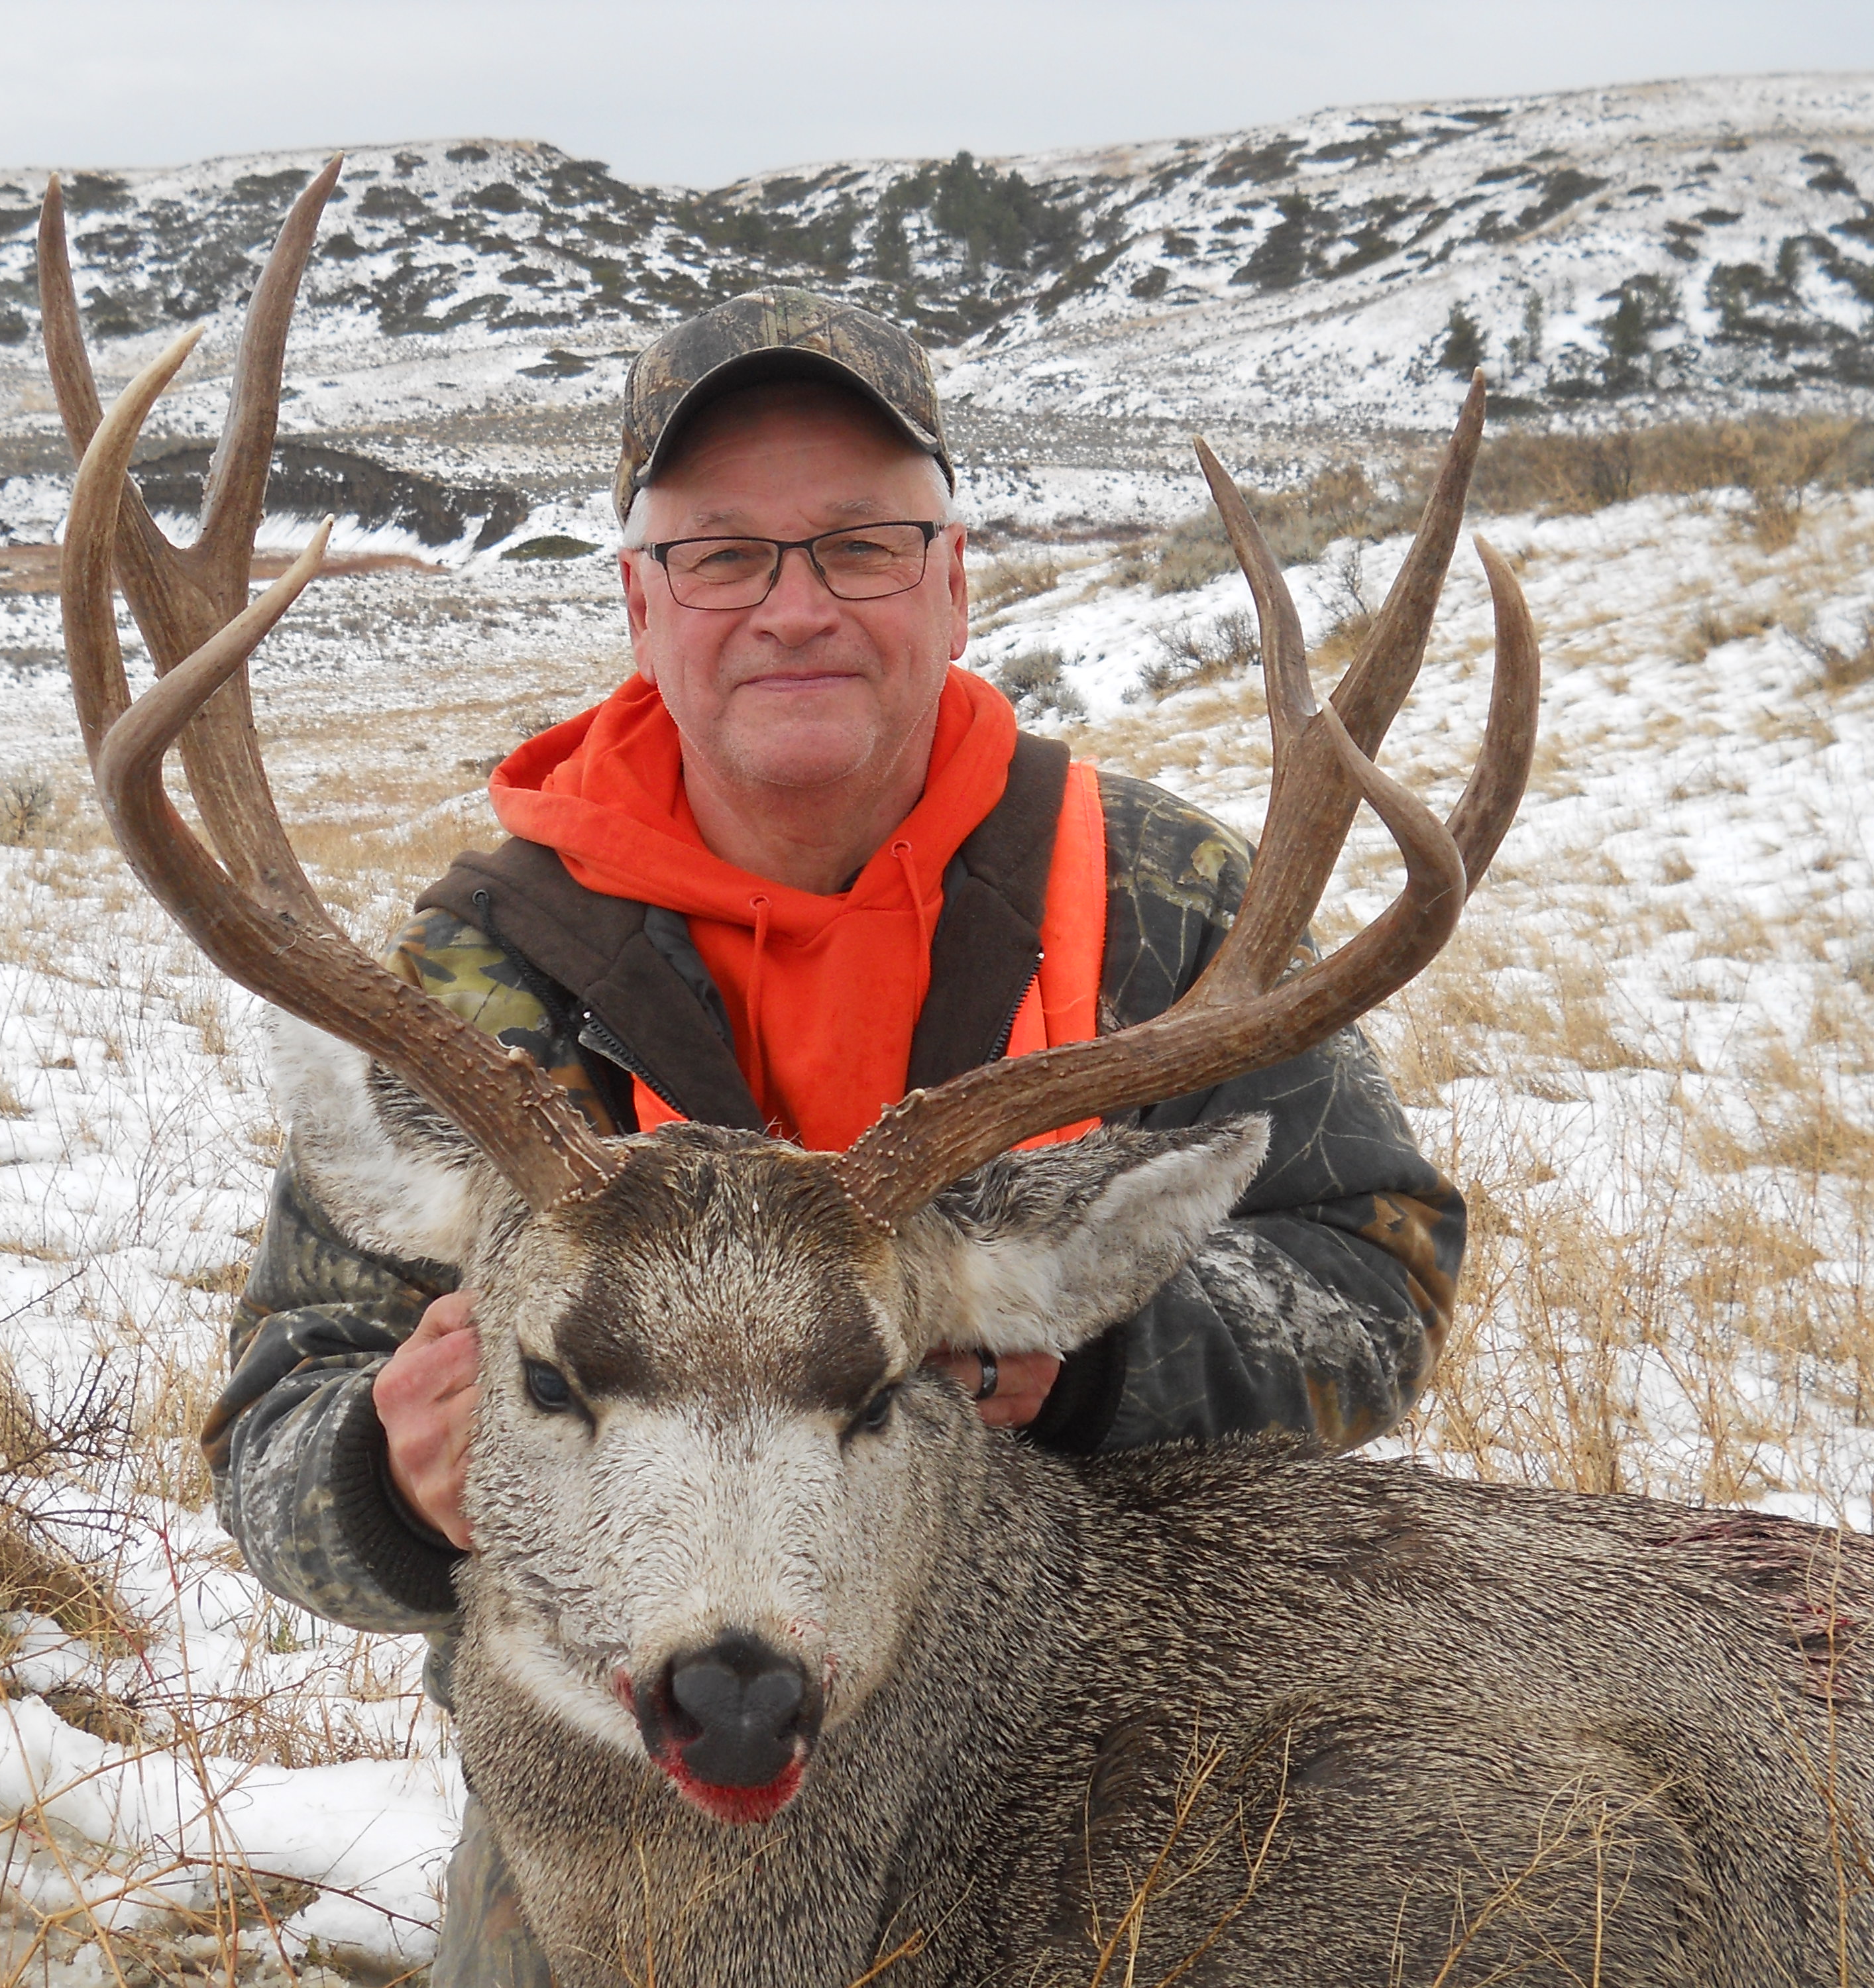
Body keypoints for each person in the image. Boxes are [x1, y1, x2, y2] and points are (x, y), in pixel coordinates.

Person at [204, 288, 1464, 1985]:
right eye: (721, 554)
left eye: (860, 544)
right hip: (613, 1765)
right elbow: (280, 1423)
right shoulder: (481, 974)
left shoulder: (1165, 903)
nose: (792, 608)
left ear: (951, 575)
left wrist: (1092, 1360)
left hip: (1108, 1723)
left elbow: (1373, 1283)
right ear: (638, 599)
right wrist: (387, 1473)